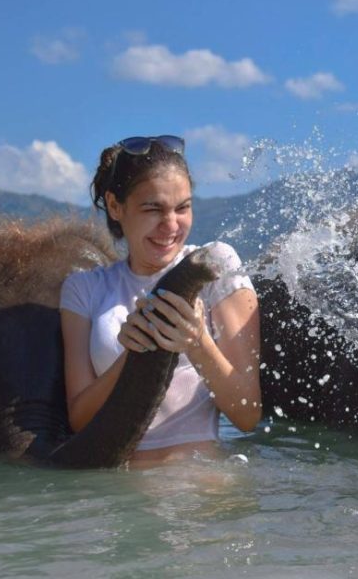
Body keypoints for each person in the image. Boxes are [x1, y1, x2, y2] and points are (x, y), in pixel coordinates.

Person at [61, 135, 261, 464]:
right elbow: (80, 420)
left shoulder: (214, 266)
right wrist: (132, 354)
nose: (170, 226)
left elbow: (248, 415)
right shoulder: (84, 289)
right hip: (113, 493)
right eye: (153, 208)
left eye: (182, 208)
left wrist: (197, 342)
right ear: (115, 206)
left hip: (201, 485)